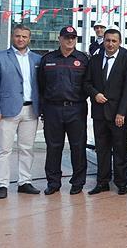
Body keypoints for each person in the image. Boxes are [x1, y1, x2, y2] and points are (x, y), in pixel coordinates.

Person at [85, 26, 127, 195]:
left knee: (120, 149)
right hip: (99, 113)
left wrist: (122, 112)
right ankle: (102, 182)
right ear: (103, 41)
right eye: (107, 40)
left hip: (118, 114)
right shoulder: (95, 59)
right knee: (102, 149)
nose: (110, 44)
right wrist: (95, 94)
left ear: (120, 42)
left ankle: (121, 183)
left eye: (114, 41)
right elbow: (87, 83)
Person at [39, 25, 89, 195]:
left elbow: (88, 84)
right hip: (53, 109)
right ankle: (53, 182)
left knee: (78, 147)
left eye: (73, 37)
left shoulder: (83, 59)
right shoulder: (48, 59)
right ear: (59, 39)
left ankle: (78, 182)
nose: (70, 40)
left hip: (76, 109)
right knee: (53, 147)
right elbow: (41, 85)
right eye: (67, 37)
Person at [0, 25, 41, 198]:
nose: (21, 39)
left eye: (24, 36)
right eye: (17, 36)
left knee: (26, 148)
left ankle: (25, 181)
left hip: (31, 110)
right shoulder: (1, 57)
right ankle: (2, 184)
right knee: (3, 149)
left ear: (29, 38)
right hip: (7, 111)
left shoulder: (37, 59)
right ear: (12, 36)